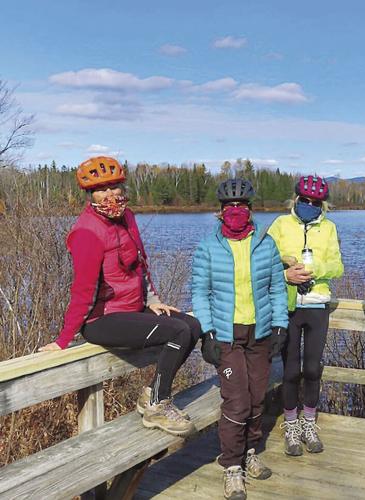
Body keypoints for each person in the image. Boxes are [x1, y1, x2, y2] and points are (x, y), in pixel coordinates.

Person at [39, 156, 199, 437]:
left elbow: (140, 263)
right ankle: (157, 405)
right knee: (177, 332)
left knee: (193, 326)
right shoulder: (86, 232)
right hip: (102, 320)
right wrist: (63, 339)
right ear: (90, 195)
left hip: (133, 309)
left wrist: (152, 301)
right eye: (102, 189)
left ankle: (151, 393)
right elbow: (83, 292)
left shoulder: (127, 217)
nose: (110, 194)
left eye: (115, 187)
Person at [191, 178, 288, 500]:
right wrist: (207, 333)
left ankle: (249, 452)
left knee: (258, 398)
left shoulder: (265, 243)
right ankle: (232, 466)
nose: (235, 211)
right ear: (220, 212)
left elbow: (276, 289)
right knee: (237, 401)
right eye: (229, 207)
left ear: (250, 209)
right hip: (227, 336)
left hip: (258, 333)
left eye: (241, 206)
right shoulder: (208, 247)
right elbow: (200, 293)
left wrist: (280, 327)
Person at [267, 175, 344, 457]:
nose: (310, 205)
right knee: (290, 370)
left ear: (323, 205)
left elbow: (338, 266)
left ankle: (309, 423)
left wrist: (315, 268)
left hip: (317, 304)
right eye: (305, 200)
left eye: (316, 202)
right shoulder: (280, 225)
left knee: (312, 369)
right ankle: (291, 426)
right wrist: (285, 272)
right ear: (296, 199)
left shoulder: (329, 228)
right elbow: (262, 259)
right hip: (287, 306)